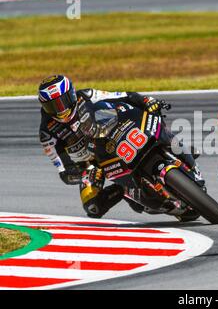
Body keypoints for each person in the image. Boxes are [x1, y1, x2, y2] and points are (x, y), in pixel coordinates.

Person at [38, 74, 195, 219]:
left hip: (113, 134)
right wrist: (73, 172)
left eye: (61, 102)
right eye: (52, 106)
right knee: (93, 207)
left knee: (154, 120)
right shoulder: (47, 131)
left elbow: (122, 96)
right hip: (94, 164)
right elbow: (61, 167)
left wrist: (146, 101)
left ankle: (178, 150)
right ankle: (126, 190)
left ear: (71, 94)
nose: (60, 110)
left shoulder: (86, 95)